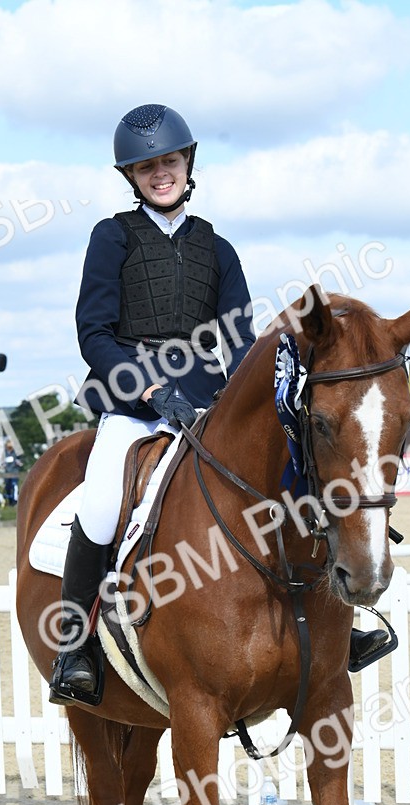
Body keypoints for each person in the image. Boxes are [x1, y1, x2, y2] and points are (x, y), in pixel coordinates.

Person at [49, 103, 390, 705]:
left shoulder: (217, 247)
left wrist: (242, 394)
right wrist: (150, 390)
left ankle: (345, 620)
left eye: (170, 162)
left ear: (188, 164)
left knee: (300, 481)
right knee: (101, 505)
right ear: (131, 175)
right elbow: (94, 334)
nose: (161, 173)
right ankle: (76, 648)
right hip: (133, 407)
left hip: (210, 404)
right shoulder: (111, 238)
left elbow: (238, 338)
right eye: (147, 166)